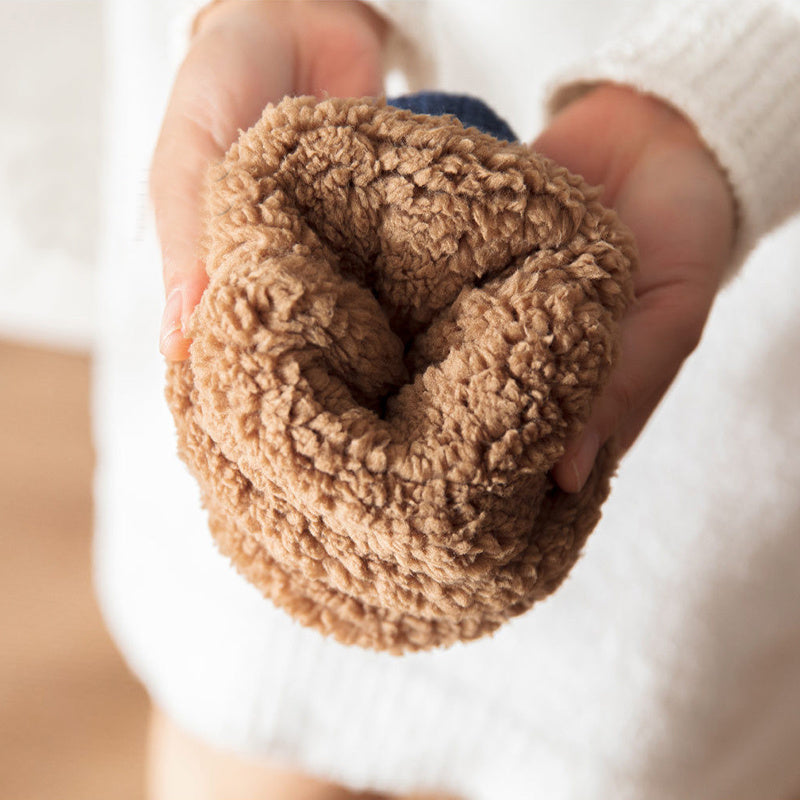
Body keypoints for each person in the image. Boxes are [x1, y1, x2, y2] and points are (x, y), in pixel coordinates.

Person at [94, 1, 800, 798]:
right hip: (304, 104)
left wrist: (733, 90)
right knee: (236, 700)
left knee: (629, 732)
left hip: (723, 322)